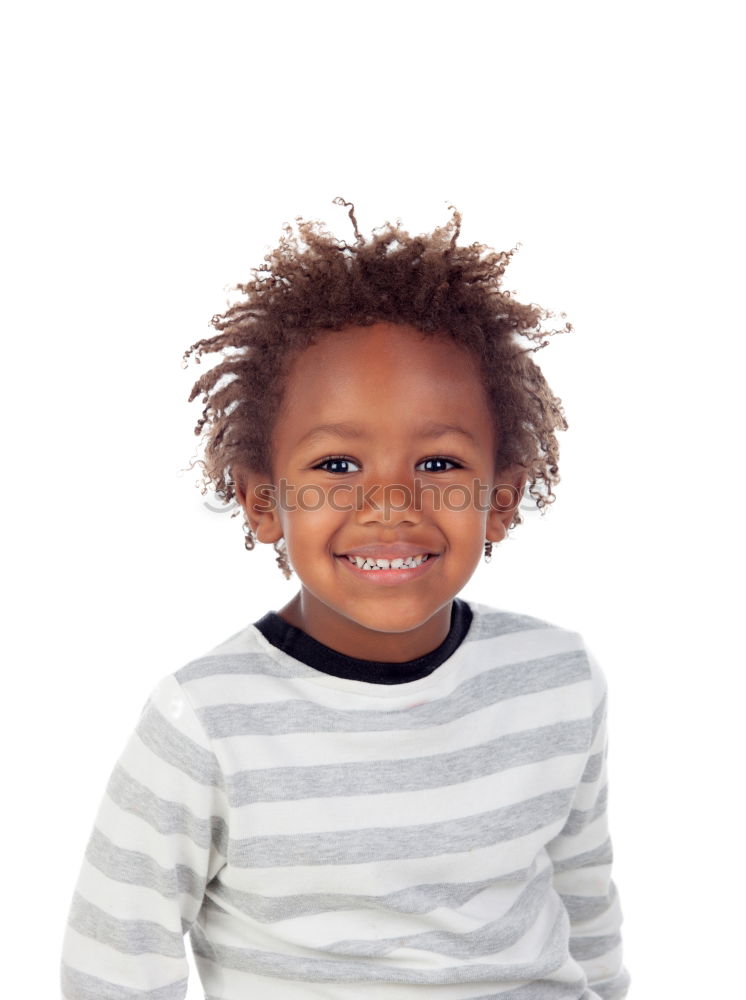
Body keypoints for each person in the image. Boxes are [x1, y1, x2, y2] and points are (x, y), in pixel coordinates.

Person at [61, 200, 631, 999]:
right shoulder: (207, 721)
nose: (390, 504)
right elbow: (114, 968)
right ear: (263, 502)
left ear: (502, 498)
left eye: (439, 465)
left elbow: (585, 908)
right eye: (336, 467)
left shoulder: (557, 679)